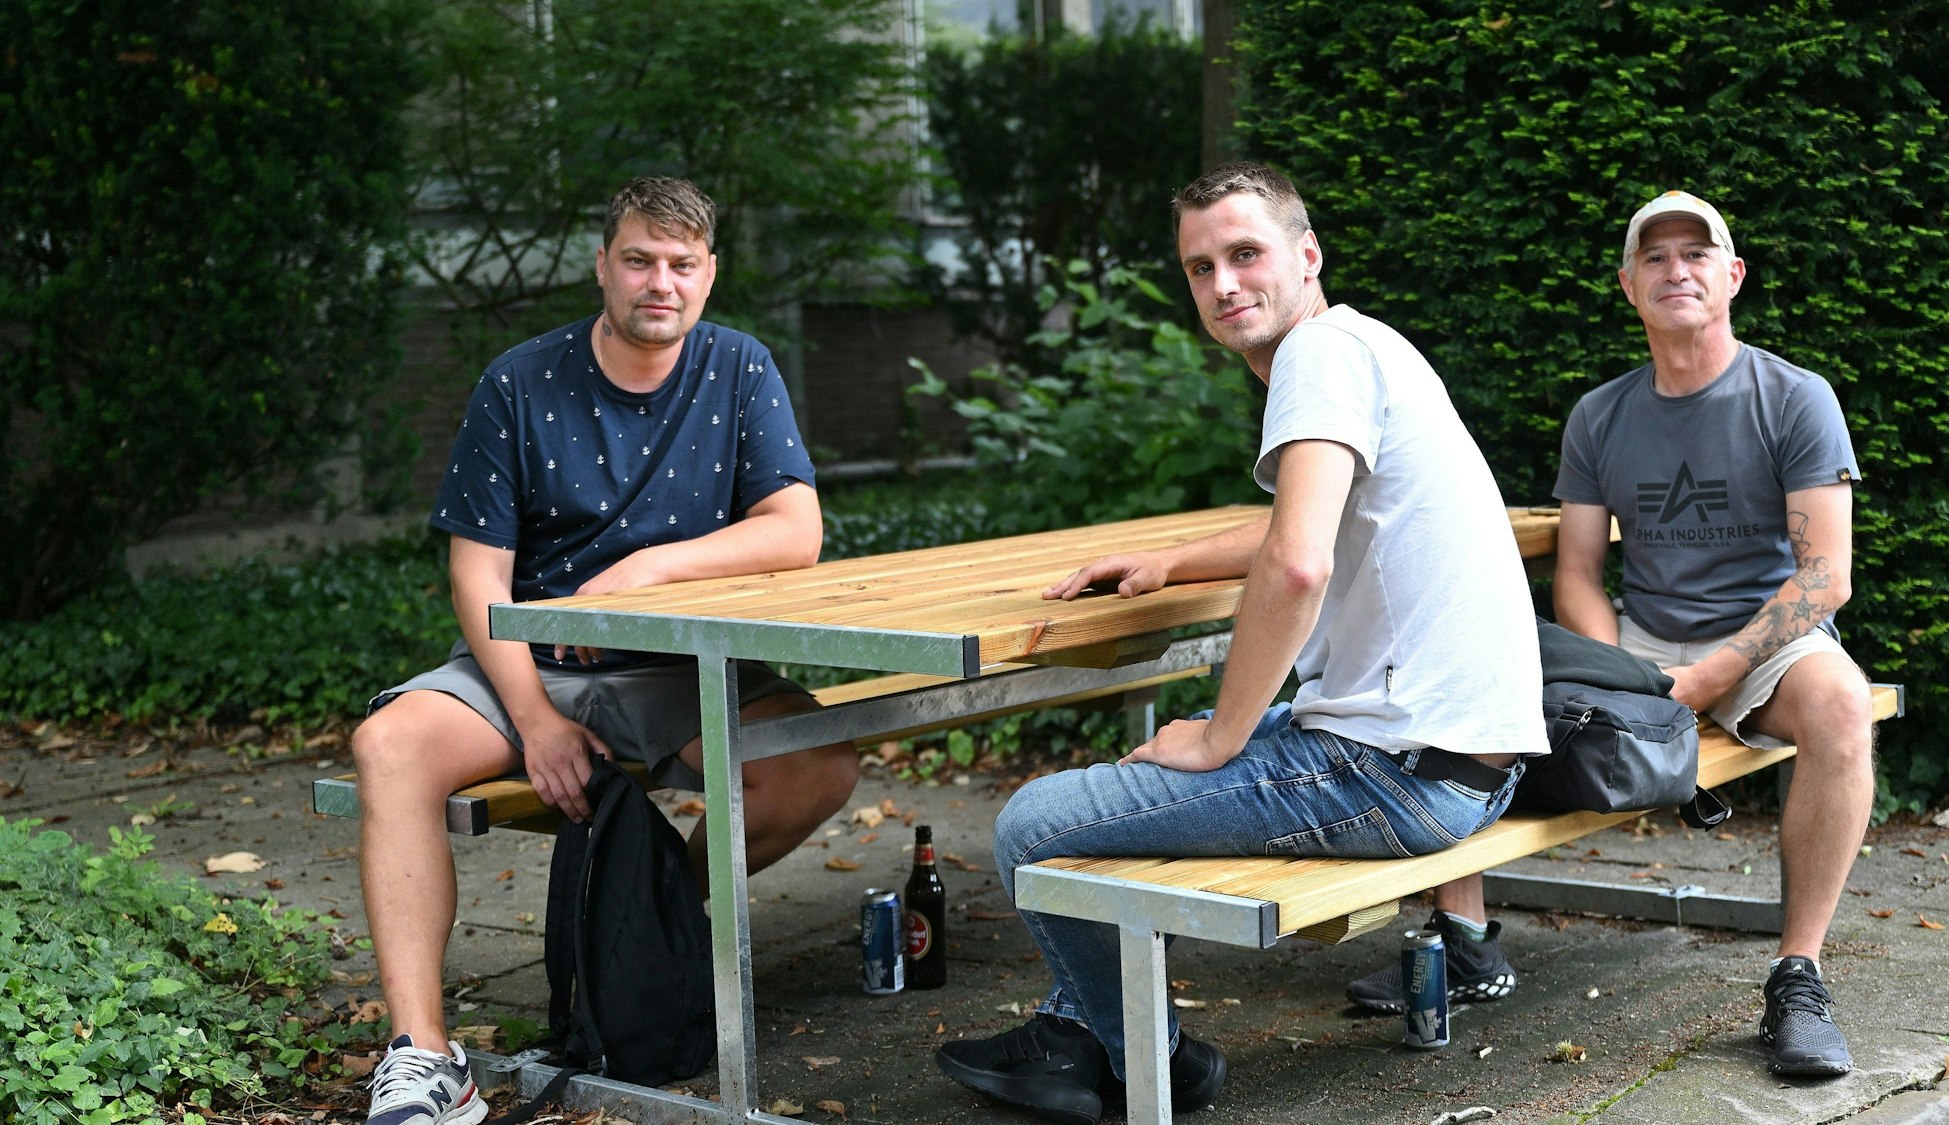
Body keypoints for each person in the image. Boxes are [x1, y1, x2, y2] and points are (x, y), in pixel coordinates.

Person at [933, 162, 1546, 1124]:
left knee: (1033, 827)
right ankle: (1078, 1029)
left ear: (1307, 256)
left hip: (1397, 773)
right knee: (1135, 778)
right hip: (1474, 759)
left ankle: (1154, 1061)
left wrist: (1224, 734)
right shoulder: (1365, 343)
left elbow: (1297, 567)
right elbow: (1304, 532)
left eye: (1246, 253)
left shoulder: (1318, 358)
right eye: (1201, 265)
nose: (1224, 284)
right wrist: (1172, 561)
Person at [352, 176, 859, 1125]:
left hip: (680, 665)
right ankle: (425, 1059)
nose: (658, 282)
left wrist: (653, 567)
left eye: (680, 264)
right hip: (532, 664)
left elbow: (795, 529)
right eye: (638, 259)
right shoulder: (519, 381)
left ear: (709, 275)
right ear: (603, 266)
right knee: (390, 745)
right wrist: (536, 720)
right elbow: (478, 576)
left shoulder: (740, 368)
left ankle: (661, 939)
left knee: (813, 769)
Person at [1346, 190, 1872, 1079]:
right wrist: (1622, 671)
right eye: (1655, 258)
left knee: (1844, 703)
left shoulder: (1794, 396)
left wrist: (1706, 678)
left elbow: (1825, 576)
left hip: (1761, 643)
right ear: (1629, 286)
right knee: (1463, 670)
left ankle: (1797, 977)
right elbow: (1580, 574)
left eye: (1697, 254)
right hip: (1638, 638)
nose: (1677, 270)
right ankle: (1465, 940)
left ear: (1732, 275)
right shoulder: (1599, 414)